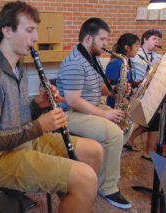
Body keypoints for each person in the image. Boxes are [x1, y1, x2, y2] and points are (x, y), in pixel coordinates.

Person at [0, 1, 103, 212]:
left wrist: (38, 105)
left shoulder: (18, 68)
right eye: (30, 30)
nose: (36, 38)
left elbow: (17, 119)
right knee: (84, 179)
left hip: (21, 143)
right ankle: (78, 189)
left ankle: (76, 197)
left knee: (94, 151)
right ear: (7, 31)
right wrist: (40, 126)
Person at [56, 17, 132, 209]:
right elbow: (73, 101)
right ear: (89, 38)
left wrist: (115, 89)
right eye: (103, 39)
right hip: (71, 114)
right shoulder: (75, 62)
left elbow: (98, 89)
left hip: (89, 107)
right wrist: (104, 114)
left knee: (127, 123)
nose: (107, 44)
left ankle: (101, 170)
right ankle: (107, 187)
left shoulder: (91, 59)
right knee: (113, 132)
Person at [127, 29, 163, 161]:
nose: (157, 42)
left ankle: (134, 141)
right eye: (154, 39)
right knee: (154, 119)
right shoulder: (135, 55)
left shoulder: (159, 58)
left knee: (155, 118)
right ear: (145, 39)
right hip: (135, 95)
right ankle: (147, 152)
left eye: (158, 40)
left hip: (151, 94)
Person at [104, 33, 141, 151]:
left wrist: (139, 83)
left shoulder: (127, 62)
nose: (138, 49)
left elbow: (128, 81)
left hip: (126, 101)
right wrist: (119, 91)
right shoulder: (116, 63)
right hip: (115, 103)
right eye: (136, 46)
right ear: (127, 47)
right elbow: (106, 85)